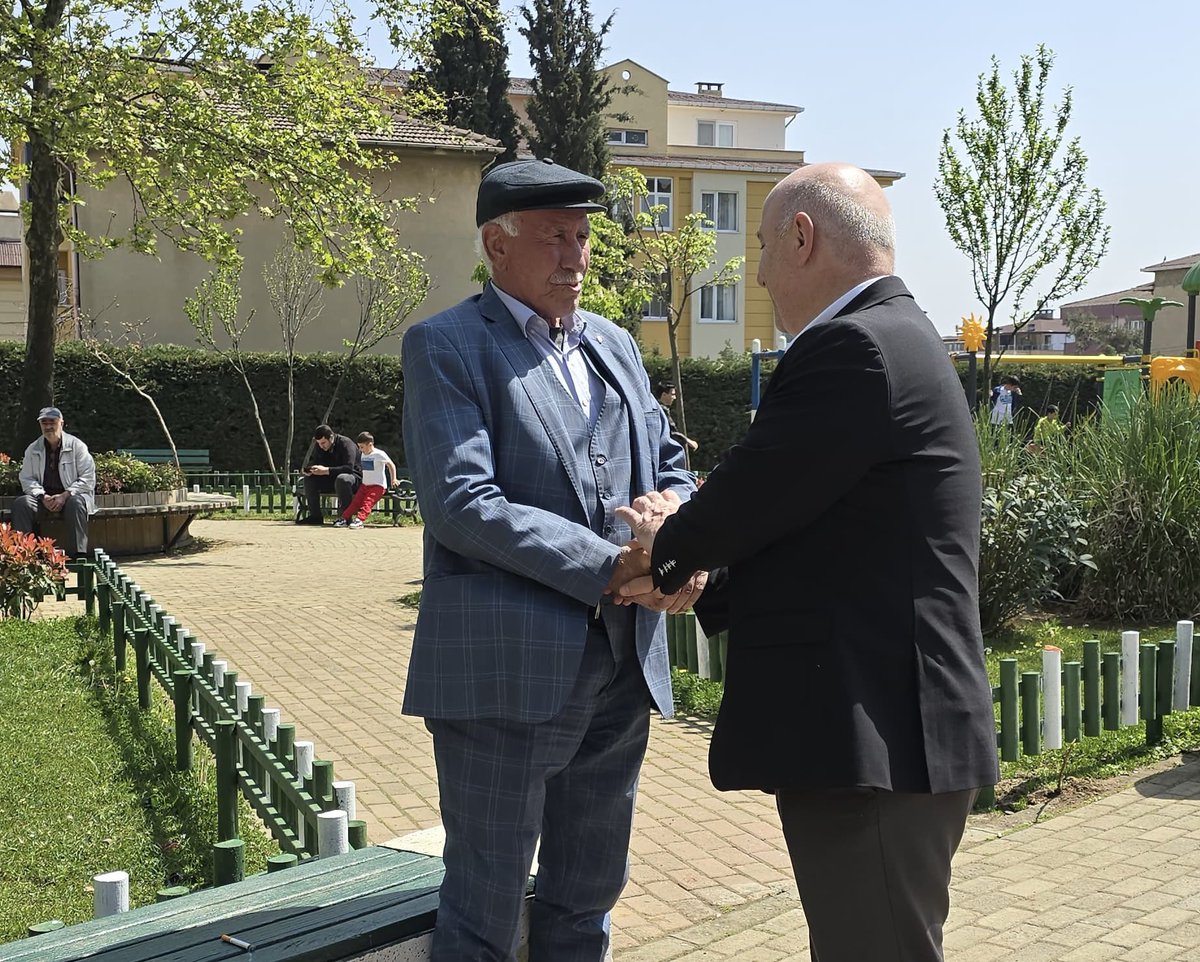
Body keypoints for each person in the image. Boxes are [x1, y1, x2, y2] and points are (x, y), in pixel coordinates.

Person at [616, 163, 999, 962]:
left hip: (876, 742)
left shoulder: (854, 347)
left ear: (802, 237)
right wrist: (702, 566)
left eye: (760, 247)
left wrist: (667, 539)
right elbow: (807, 525)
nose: (756, 272)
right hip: (888, 735)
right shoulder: (898, 339)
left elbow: (754, 494)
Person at [400, 157, 700, 962]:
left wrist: (673, 529)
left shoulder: (613, 345)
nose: (578, 257)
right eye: (556, 238)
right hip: (505, 682)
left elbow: (669, 464)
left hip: (621, 668)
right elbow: (464, 504)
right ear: (496, 246)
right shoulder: (447, 346)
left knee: (588, 894)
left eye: (583, 237)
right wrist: (612, 566)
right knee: (485, 905)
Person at [12, 406, 96, 558]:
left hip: (70, 497)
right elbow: (26, 478)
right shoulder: (32, 449)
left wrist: (65, 495)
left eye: (53, 422)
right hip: (43, 499)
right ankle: (23, 557)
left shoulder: (78, 446)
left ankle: (79, 556)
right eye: (44, 423)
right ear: (40, 425)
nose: (49, 426)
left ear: (61, 424)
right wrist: (42, 496)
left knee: (76, 503)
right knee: (21, 503)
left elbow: (88, 478)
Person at [297, 424, 361, 525]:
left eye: (323, 443)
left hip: (353, 479)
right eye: (319, 443)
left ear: (331, 437)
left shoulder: (346, 444)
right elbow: (318, 463)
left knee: (342, 479)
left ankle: (346, 517)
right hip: (332, 478)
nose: (321, 446)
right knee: (309, 479)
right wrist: (311, 470)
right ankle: (315, 517)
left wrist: (326, 470)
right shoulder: (320, 447)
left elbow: (349, 468)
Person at [335, 432, 396, 529]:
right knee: (355, 502)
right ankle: (344, 518)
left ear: (370, 445)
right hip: (365, 485)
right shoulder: (363, 454)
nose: (360, 449)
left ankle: (360, 520)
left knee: (367, 502)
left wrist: (394, 479)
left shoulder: (379, 454)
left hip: (378, 486)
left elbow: (391, 465)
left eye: (362, 447)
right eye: (359, 447)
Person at [656, 380, 699, 454]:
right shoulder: (662, 410)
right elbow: (672, 432)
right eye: (672, 394)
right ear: (664, 395)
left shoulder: (655, 408)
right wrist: (688, 441)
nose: (674, 397)